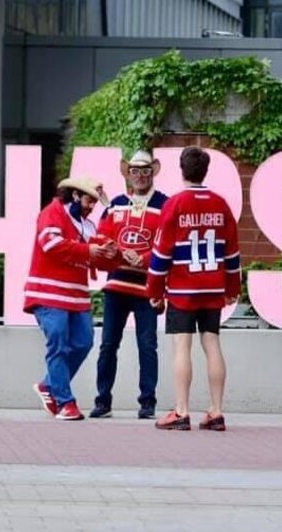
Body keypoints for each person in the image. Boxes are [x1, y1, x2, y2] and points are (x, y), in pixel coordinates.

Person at [147, 147, 241, 432]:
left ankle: (181, 411)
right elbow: (232, 253)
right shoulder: (221, 204)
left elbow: (162, 253)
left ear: (181, 169)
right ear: (206, 170)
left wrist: (154, 289)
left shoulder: (174, 204)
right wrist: (232, 287)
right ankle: (216, 411)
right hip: (213, 286)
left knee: (181, 345)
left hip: (182, 289)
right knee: (212, 343)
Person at [25, 177, 115, 421]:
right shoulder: (52, 212)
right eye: (88, 200)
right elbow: (50, 243)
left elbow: (98, 252)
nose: (91, 207)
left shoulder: (85, 224)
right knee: (59, 345)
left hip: (75, 294)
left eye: (94, 203)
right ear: (74, 195)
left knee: (84, 342)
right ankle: (65, 401)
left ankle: (49, 386)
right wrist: (89, 251)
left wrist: (112, 253)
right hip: (48, 293)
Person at [89, 151, 169, 420]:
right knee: (108, 344)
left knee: (147, 345)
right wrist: (122, 253)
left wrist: (144, 259)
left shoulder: (165, 205)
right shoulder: (115, 205)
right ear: (127, 173)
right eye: (135, 171)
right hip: (117, 286)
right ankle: (103, 400)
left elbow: (167, 245)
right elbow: (101, 238)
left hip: (147, 287)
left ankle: (148, 402)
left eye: (145, 170)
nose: (140, 176)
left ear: (153, 171)